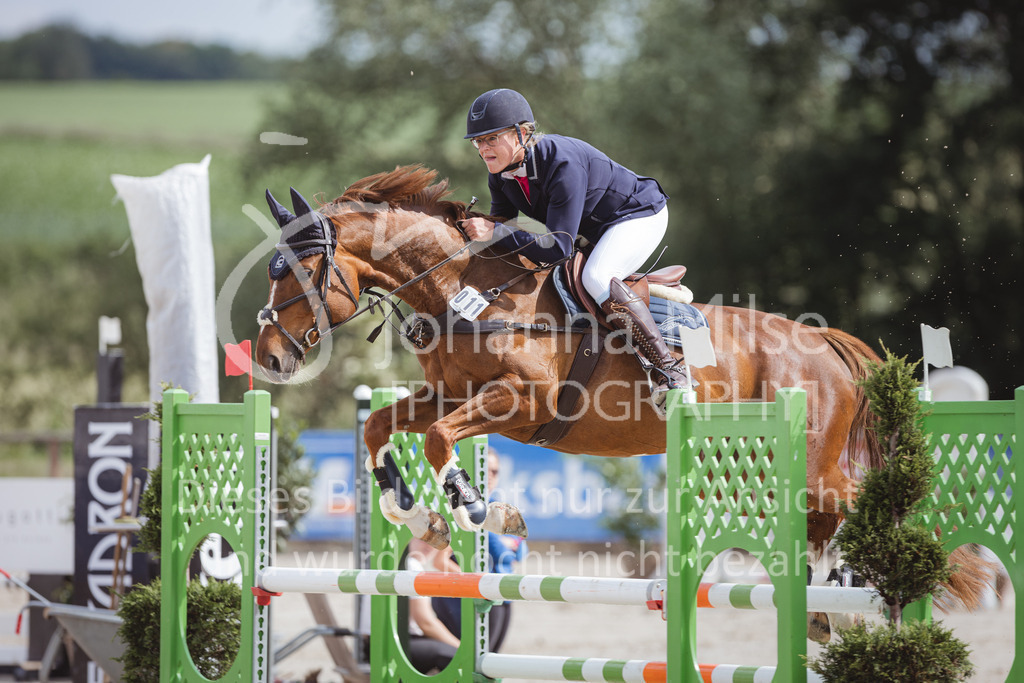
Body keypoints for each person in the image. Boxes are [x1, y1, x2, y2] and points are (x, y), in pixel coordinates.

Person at [459, 88, 687, 398]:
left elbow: (557, 248)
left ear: (522, 134)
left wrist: (495, 233)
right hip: (596, 230)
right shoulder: (500, 175)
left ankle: (670, 370)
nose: (484, 148)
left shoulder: (562, 164)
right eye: (478, 141)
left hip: (638, 215)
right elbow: (503, 229)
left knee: (596, 276)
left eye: (492, 139)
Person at [430, 449, 526, 652]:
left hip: (502, 596)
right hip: (466, 598)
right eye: (485, 469)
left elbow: (520, 553)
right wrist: (475, 584)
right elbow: (440, 562)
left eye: (495, 471)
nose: (490, 476)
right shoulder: (460, 511)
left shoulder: (499, 508)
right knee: (476, 663)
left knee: (490, 664)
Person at [403, 537, 461, 674]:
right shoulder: (411, 565)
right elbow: (426, 623)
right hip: (403, 641)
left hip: (378, 642)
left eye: (436, 540)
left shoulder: (401, 562)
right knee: (462, 660)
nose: (429, 544)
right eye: (423, 537)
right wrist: (462, 649)